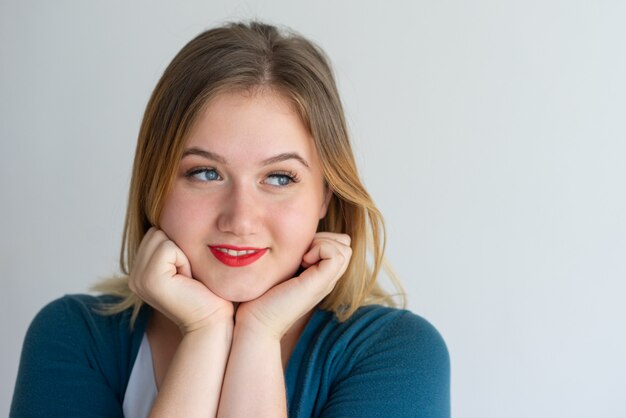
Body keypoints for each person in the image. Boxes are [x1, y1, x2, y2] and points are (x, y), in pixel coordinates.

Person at [11, 21, 450, 417]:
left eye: (279, 177)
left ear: (325, 196)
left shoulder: (397, 353)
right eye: (205, 173)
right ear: (155, 184)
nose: (240, 219)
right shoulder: (75, 336)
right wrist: (204, 332)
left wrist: (257, 334)